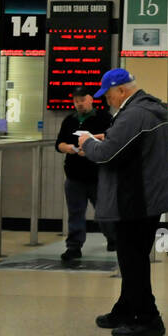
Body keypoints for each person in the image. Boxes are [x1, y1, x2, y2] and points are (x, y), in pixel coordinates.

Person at [79, 68, 168, 336]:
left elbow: (107, 155)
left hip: (137, 199)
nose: (107, 101)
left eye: (109, 95)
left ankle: (149, 319)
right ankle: (125, 308)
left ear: (122, 90)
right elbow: (126, 145)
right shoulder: (145, 110)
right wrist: (105, 139)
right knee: (132, 258)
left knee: (133, 260)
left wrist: (88, 143)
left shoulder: (135, 114)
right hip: (146, 196)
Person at [54, 86, 115, 261]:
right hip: (74, 176)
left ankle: (113, 238)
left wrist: (91, 147)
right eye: (76, 101)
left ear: (91, 100)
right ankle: (74, 246)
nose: (79, 104)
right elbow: (59, 144)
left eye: (82, 100)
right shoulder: (69, 120)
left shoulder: (104, 118)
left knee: (104, 212)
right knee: (75, 213)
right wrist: (69, 148)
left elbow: (111, 139)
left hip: (98, 175)